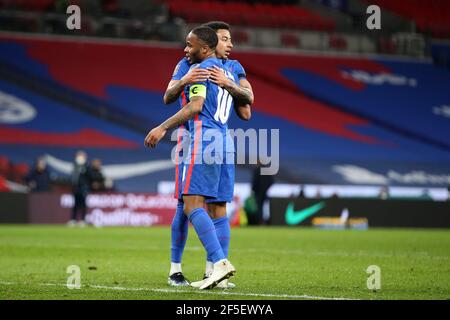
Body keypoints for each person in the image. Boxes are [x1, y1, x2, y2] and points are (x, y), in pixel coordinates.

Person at [145, 26, 242, 290]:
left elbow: (196, 106)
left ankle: (219, 263)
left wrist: (163, 127)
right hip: (224, 141)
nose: (186, 50)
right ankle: (213, 271)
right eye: (225, 39)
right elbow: (245, 109)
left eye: (190, 45)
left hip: (200, 140)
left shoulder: (202, 68)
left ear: (205, 46)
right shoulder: (226, 71)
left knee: (189, 204)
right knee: (217, 207)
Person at [68, 151, 91, 227]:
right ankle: (73, 220)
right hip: (76, 188)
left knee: (83, 205)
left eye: (82, 155)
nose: (80, 157)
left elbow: (89, 177)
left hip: (84, 188)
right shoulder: (75, 166)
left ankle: (83, 220)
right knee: (75, 205)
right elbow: (73, 178)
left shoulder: (87, 166)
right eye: (79, 155)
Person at [251, 161, 274, 225]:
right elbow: (271, 181)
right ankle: (266, 221)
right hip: (264, 192)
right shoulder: (266, 170)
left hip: (258, 193)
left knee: (259, 208)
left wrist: (253, 189)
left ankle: (260, 222)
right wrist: (266, 188)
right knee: (265, 207)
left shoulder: (257, 170)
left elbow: (254, 182)